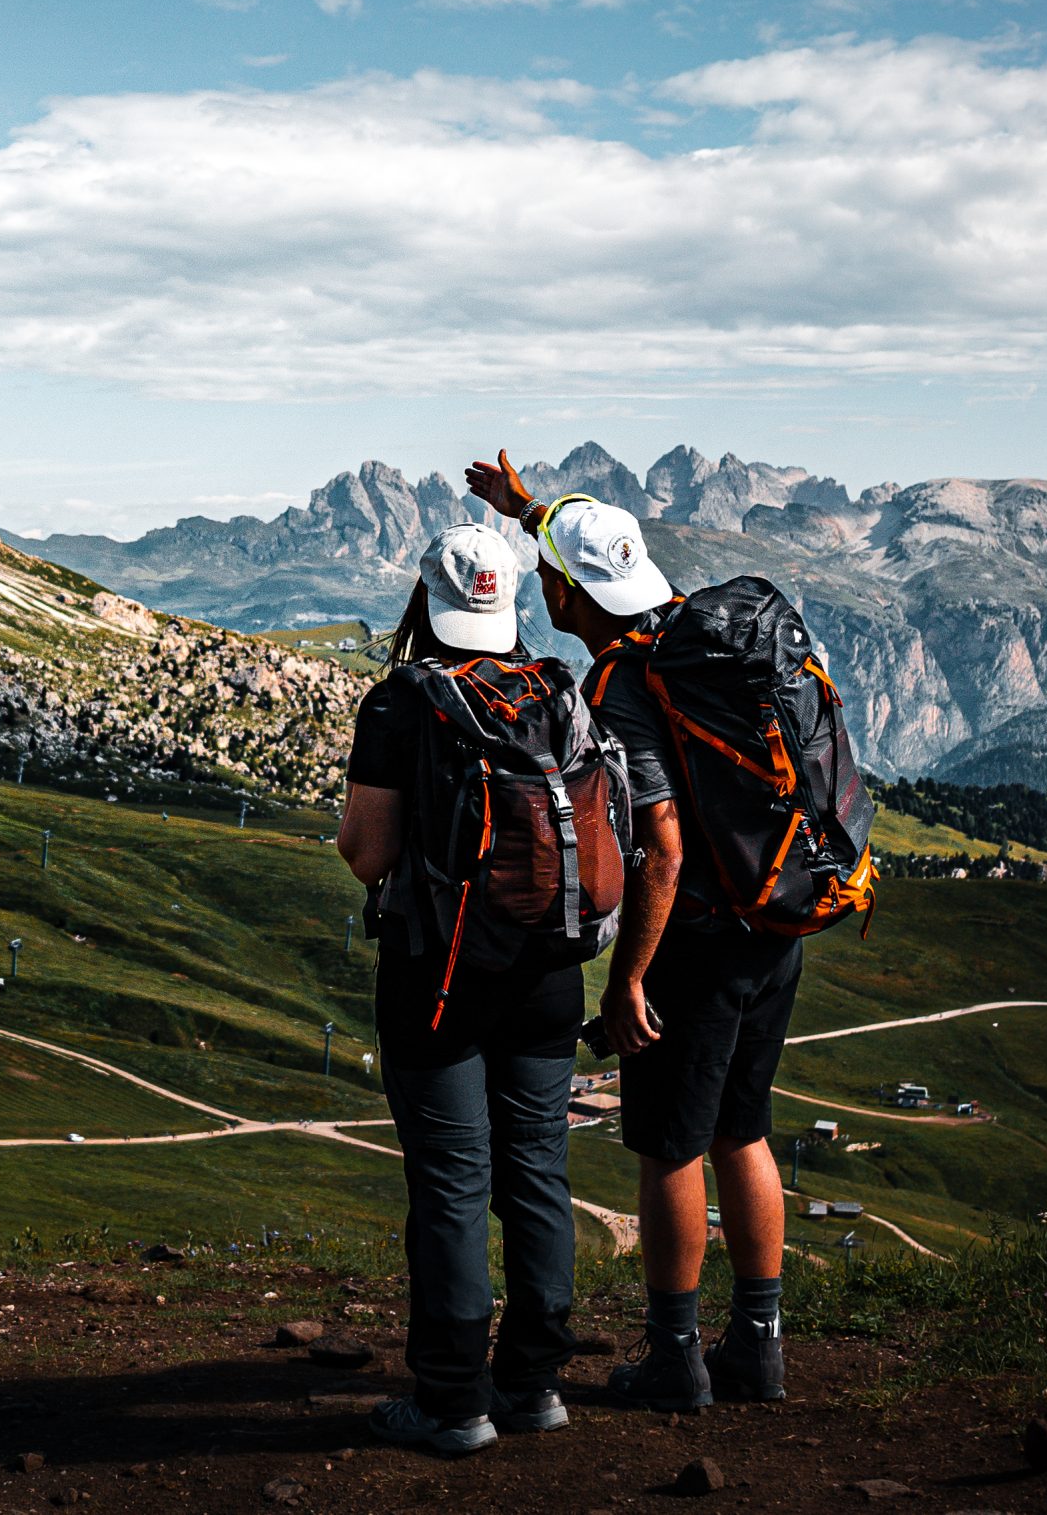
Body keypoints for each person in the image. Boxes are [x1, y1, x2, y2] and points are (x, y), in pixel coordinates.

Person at [465, 449, 792, 1413]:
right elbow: (588, 548)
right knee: (747, 1128)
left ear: (569, 594)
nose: (545, 597)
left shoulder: (624, 683)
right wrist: (529, 510)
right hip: (776, 918)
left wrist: (629, 979)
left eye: (551, 581)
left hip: (697, 940)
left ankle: (676, 1358)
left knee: (670, 1146)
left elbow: (661, 849)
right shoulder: (695, 629)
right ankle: (758, 1345)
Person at [337, 523, 587, 1456]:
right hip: (551, 979)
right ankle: (534, 1383)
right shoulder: (556, 690)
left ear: (430, 601)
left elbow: (367, 853)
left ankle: (451, 1399)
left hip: (438, 982)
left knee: (451, 1184)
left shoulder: (403, 702)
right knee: (537, 1172)